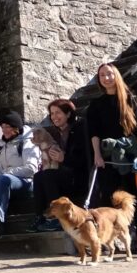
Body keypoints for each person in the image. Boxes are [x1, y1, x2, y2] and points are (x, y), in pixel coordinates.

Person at [87, 63, 137, 254]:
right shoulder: (96, 105)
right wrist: (97, 155)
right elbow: (94, 133)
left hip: (131, 155)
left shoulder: (130, 99)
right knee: (107, 196)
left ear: (116, 76)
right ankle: (108, 240)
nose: (106, 78)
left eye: (109, 74)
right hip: (108, 156)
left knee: (135, 196)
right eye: (102, 75)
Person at [0, 112, 40, 236]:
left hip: (27, 182)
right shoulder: (4, 144)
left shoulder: (28, 142)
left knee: (3, 179)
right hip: (5, 182)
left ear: (16, 128)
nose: (4, 130)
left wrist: (6, 174)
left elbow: (31, 168)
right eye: (3, 127)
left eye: (8, 127)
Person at [30, 99, 90, 232]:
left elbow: (84, 157)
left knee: (48, 175)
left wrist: (64, 158)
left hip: (78, 177)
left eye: (58, 113)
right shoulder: (55, 133)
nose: (54, 117)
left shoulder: (80, 128)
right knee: (38, 176)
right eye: (52, 113)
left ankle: (57, 219)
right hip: (64, 174)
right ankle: (40, 216)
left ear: (68, 114)